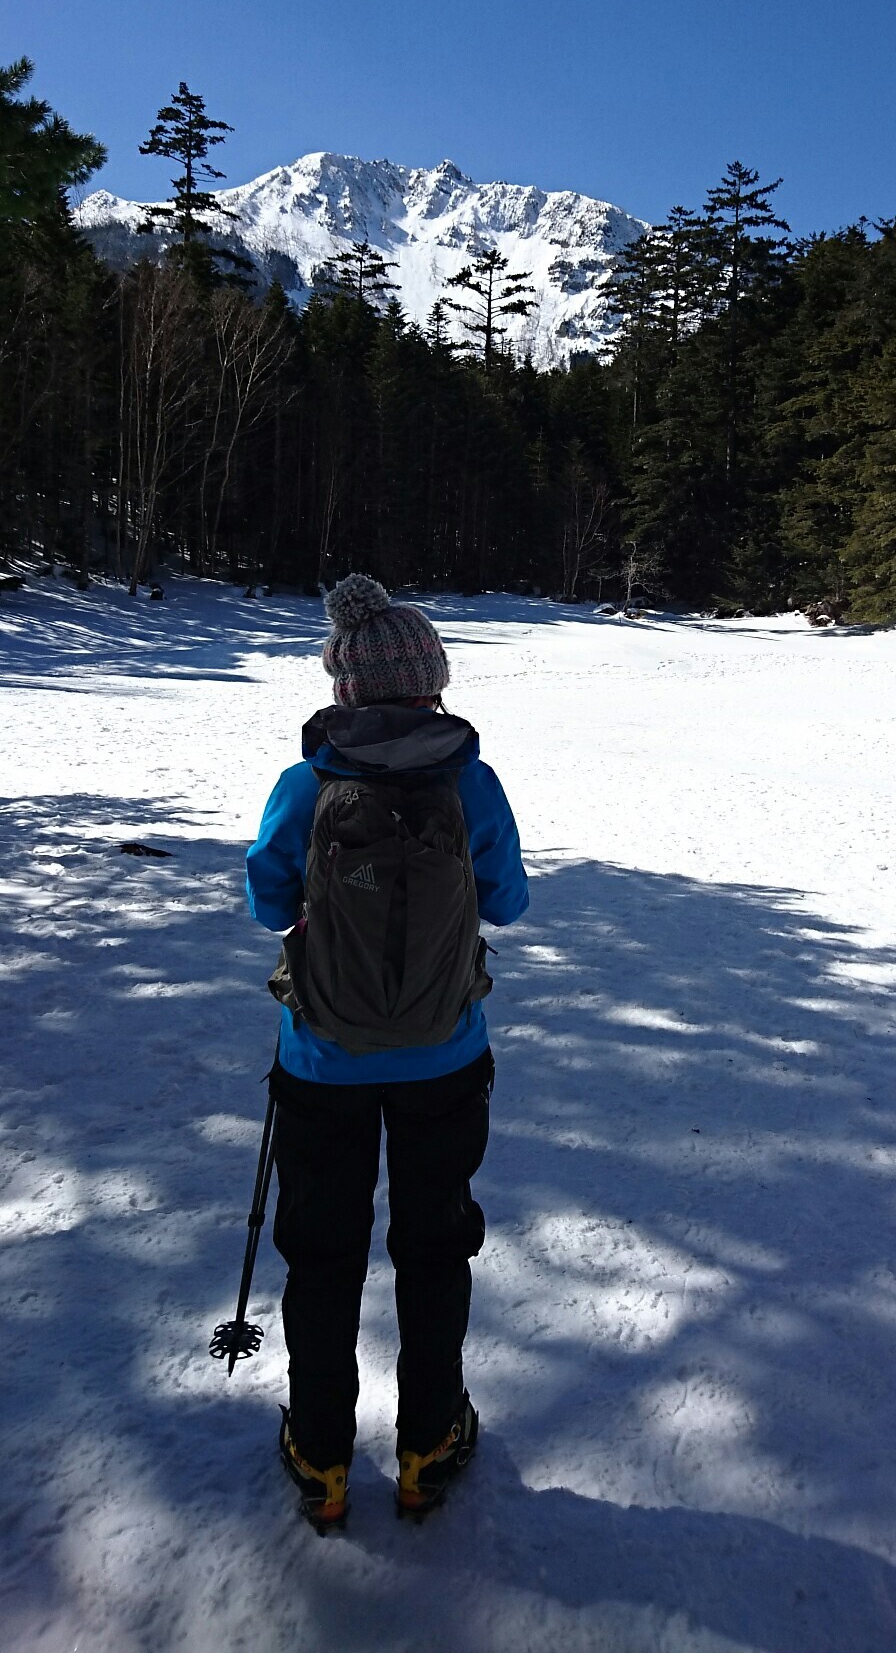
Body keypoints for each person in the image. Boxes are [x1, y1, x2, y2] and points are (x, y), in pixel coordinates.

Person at [245, 573, 528, 1528]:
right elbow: (509, 902)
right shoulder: (470, 781)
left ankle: (322, 1458)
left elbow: (265, 902)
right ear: (433, 682)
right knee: (434, 1248)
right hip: (445, 1057)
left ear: (347, 689)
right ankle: (426, 1444)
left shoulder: (306, 781)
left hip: (320, 1058)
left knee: (322, 1254)